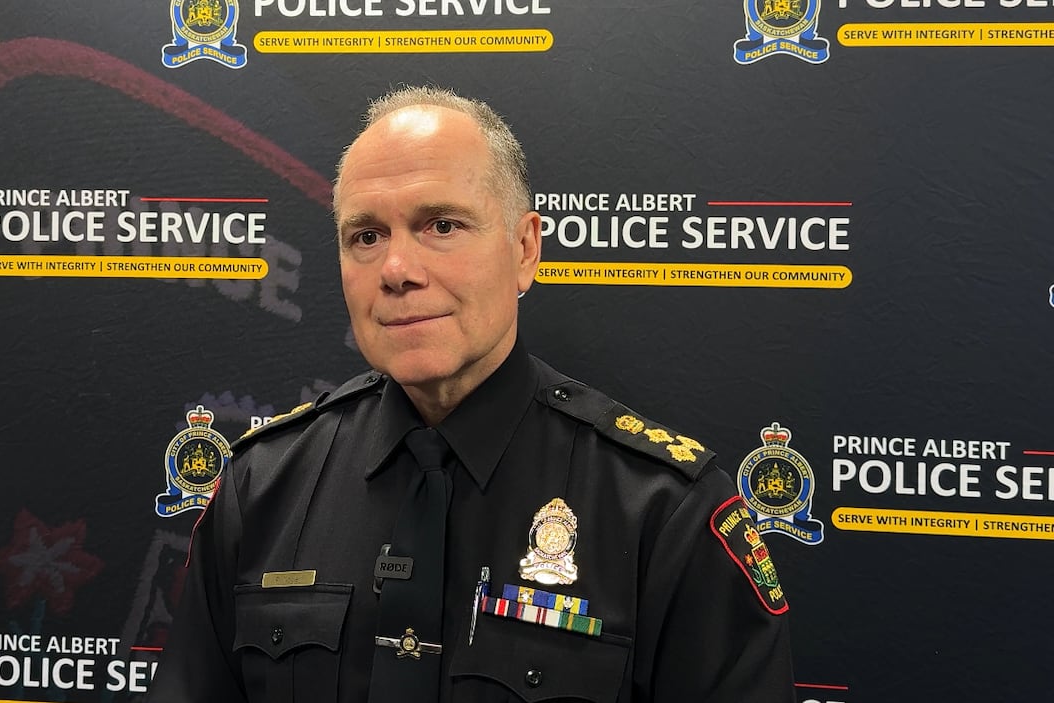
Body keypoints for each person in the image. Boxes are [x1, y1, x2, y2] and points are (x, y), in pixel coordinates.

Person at [146, 86, 794, 703]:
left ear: (524, 249)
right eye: (366, 236)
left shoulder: (665, 513)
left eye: (441, 225)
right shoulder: (262, 487)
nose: (398, 270)